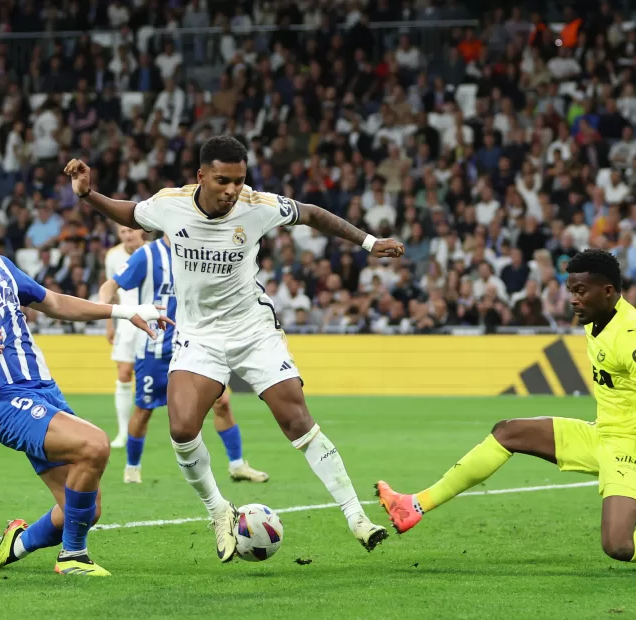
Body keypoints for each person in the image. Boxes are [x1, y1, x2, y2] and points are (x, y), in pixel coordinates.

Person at [64, 136, 404, 561]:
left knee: (296, 418)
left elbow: (313, 214)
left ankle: (356, 516)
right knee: (183, 428)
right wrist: (89, 195)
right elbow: (129, 211)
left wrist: (370, 244)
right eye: (223, 180)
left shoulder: (257, 205)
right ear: (201, 176)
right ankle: (218, 510)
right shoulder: (171, 204)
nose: (231, 190)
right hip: (198, 334)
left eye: (239, 181)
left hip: (252, 329)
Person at [376, 249, 636, 572]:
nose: (572, 299)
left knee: (618, 545)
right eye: (569, 289)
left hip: (635, 448)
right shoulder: (596, 320)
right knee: (508, 431)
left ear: (608, 291)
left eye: (580, 292)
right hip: (601, 434)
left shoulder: (633, 339)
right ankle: (413, 506)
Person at [0, 192, 171, 577]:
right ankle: (73, 558)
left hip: (44, 391)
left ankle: (16, 544)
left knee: (84, 509)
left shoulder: (0, 266)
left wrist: (124, 310)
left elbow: (56, 303)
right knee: (95, 444)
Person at [98, 232, 269, 484]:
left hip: (195, 346)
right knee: (144, 410)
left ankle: (237, 465)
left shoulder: (200, 250)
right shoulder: (147, 254)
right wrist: (106, 307)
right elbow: (110, 284)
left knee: (222, 402)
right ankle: (132, 467)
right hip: (155, 348)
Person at [103, 224, 146, 448]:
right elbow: (110, 291)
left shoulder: (152, 251)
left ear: (141, 231)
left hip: (151, 317)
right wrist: (109, 324)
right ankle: (123, 432)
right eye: (123, 232)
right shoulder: (113, 256)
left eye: (131, 230)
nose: (128, 235)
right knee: (124, 373)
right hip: (126, 320)